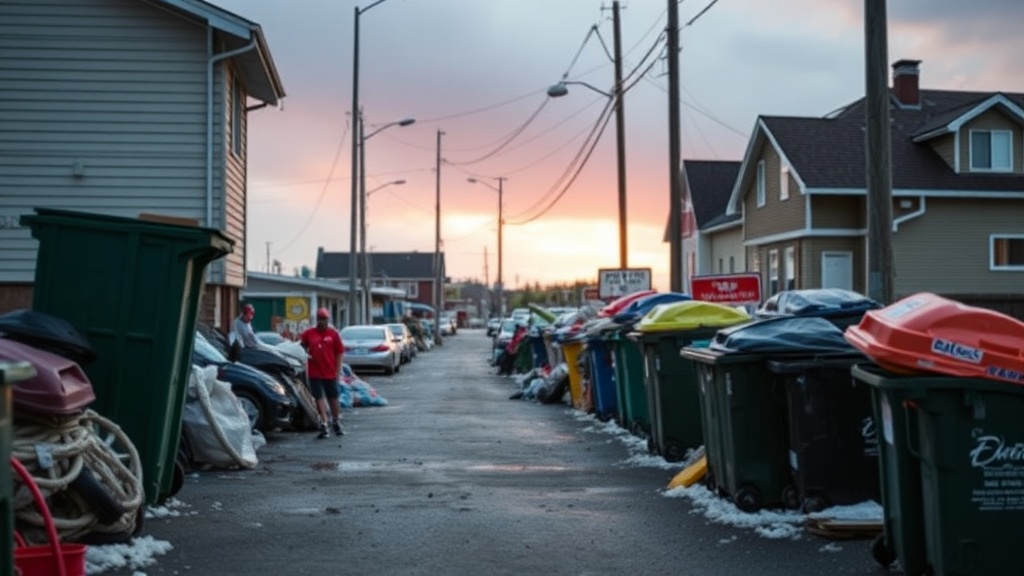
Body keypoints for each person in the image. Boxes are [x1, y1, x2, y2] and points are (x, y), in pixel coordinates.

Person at [300, 308, 346, 439]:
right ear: (317, 320)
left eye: (324, 320)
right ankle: (324, 423)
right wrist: (305, 354)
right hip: (315, 371)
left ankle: (336, 421)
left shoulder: (333, 334)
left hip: (330, 371)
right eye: (320, 319)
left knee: (333, 397)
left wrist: (338, 371)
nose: (322, 322)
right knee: (318, 397)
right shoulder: (309, 333)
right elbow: (301, 347)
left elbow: (339, 353)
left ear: (328, 320)